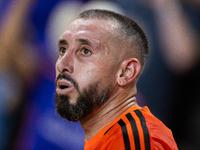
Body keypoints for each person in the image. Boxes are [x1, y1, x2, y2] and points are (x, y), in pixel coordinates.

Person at [54, 9, 178, 150]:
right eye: (63, 50)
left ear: (126, 72)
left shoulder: (134, 141)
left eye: (85, 51)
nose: (62, 64)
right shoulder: (117, 138)